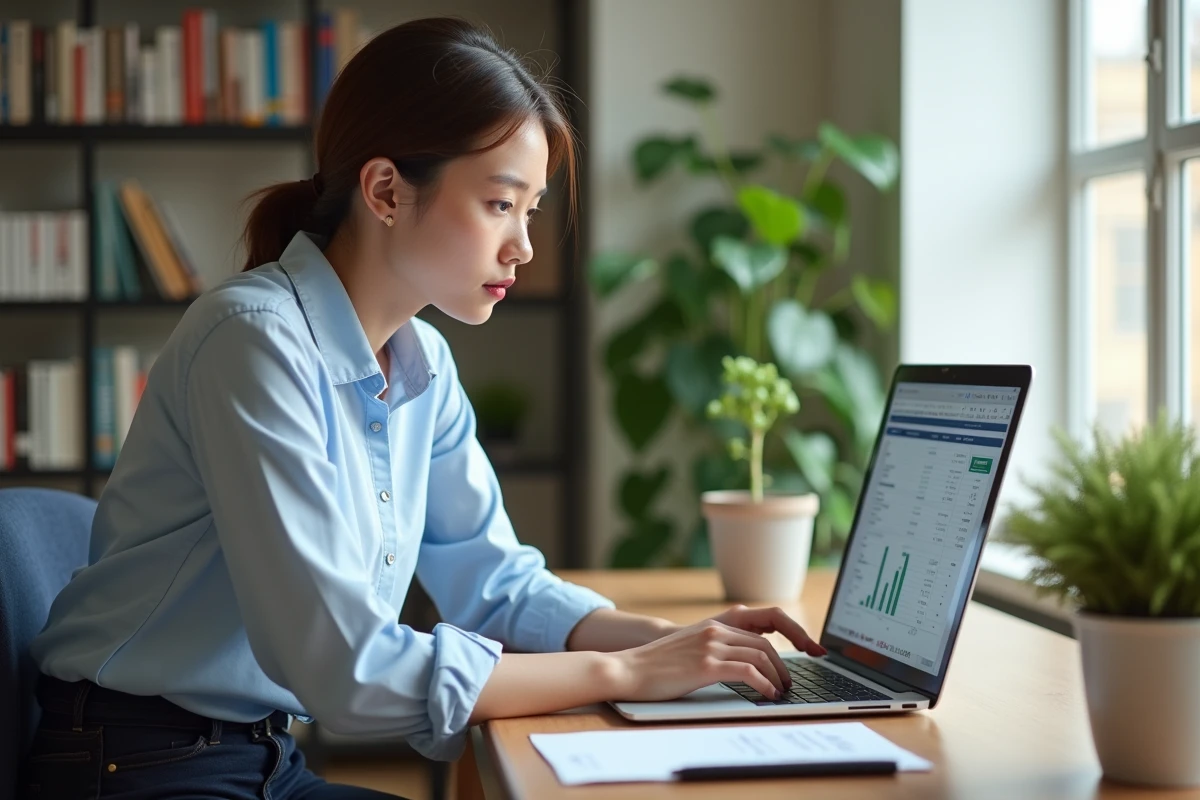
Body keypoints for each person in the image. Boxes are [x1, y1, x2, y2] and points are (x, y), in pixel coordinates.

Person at [17, 16, 826, 800]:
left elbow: (496, 585)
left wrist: (680, 643)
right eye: (500, 204)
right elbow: (346, 670)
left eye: (531, 210)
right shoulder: (253, 342)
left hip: (256, 756)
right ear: (385, 191)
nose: (525, 247)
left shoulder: (423, 362)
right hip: (135, 767)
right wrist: (627, 673)